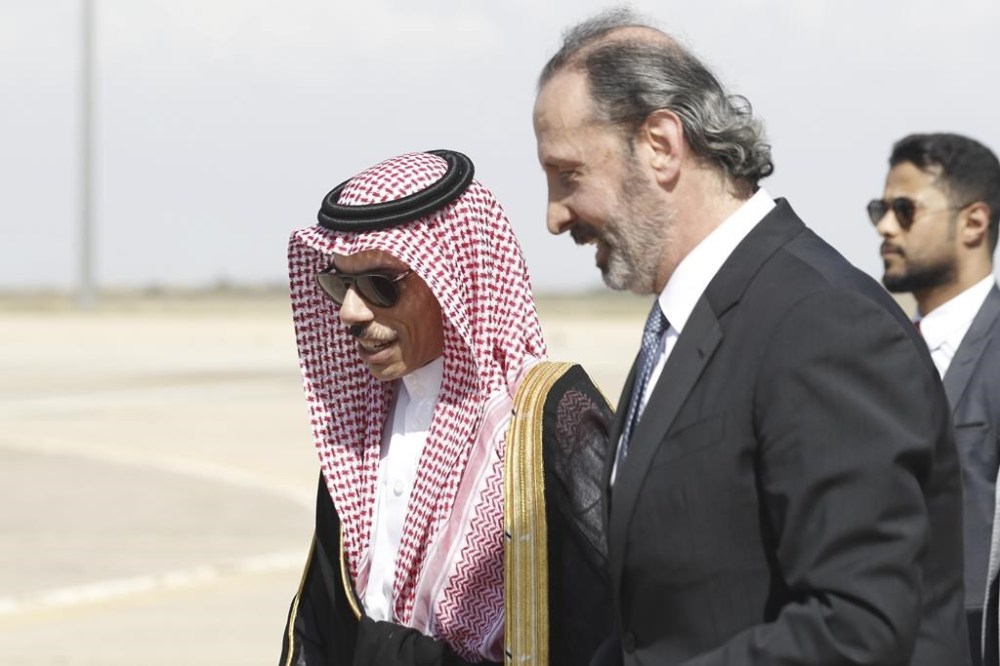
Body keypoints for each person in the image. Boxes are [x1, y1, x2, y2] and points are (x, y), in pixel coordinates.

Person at [532, 9, 970, 665]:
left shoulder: (821, 324)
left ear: (660, 144)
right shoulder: (686, 321)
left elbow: (857, 631)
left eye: (568, 175)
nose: (553, 216)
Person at [277, 149, 613, 665]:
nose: (349, 311)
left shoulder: (543, 421)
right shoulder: (358, 433)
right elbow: (324, 627)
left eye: (378, 285)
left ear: (454, 278)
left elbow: (613, 632)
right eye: (340, 283)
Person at [869, 132, 1000, 666]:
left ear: (973, 222)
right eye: (880, 208)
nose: (883, 226)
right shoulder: (878, 351)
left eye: (905, 210)